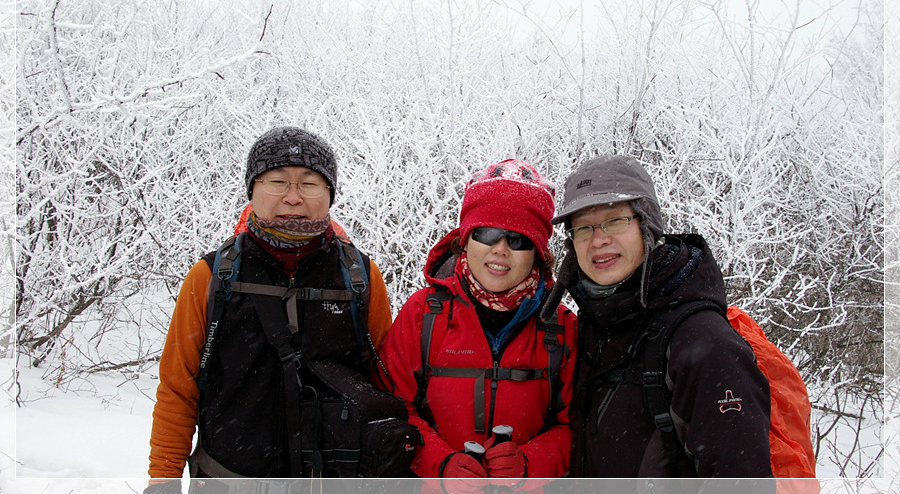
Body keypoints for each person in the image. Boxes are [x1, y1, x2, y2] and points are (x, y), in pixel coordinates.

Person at [146, 126, 393, 486]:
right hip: (227, 481)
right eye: (276, 181)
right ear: (253, 191)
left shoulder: (360, 277)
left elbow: (388, 385)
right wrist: (162, 479)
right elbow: (177, 388)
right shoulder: (213, 276)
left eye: (309, 183)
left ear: (329, 194)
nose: (292, 197)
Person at [541, 154, 774, 478]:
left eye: (615, 220)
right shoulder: (594, 326)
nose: (599, 239)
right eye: (583, 227)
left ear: (647, 224)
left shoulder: (703, 343)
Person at [378, 159, 578, 488]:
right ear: (466, 239)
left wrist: (530, 464)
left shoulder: (561, 327)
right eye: (487, 233)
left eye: (518, 239)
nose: (500, 249)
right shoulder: (422, 316)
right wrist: (437, 463)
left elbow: (575, 425)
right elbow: (392, 410)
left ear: (538, 252)